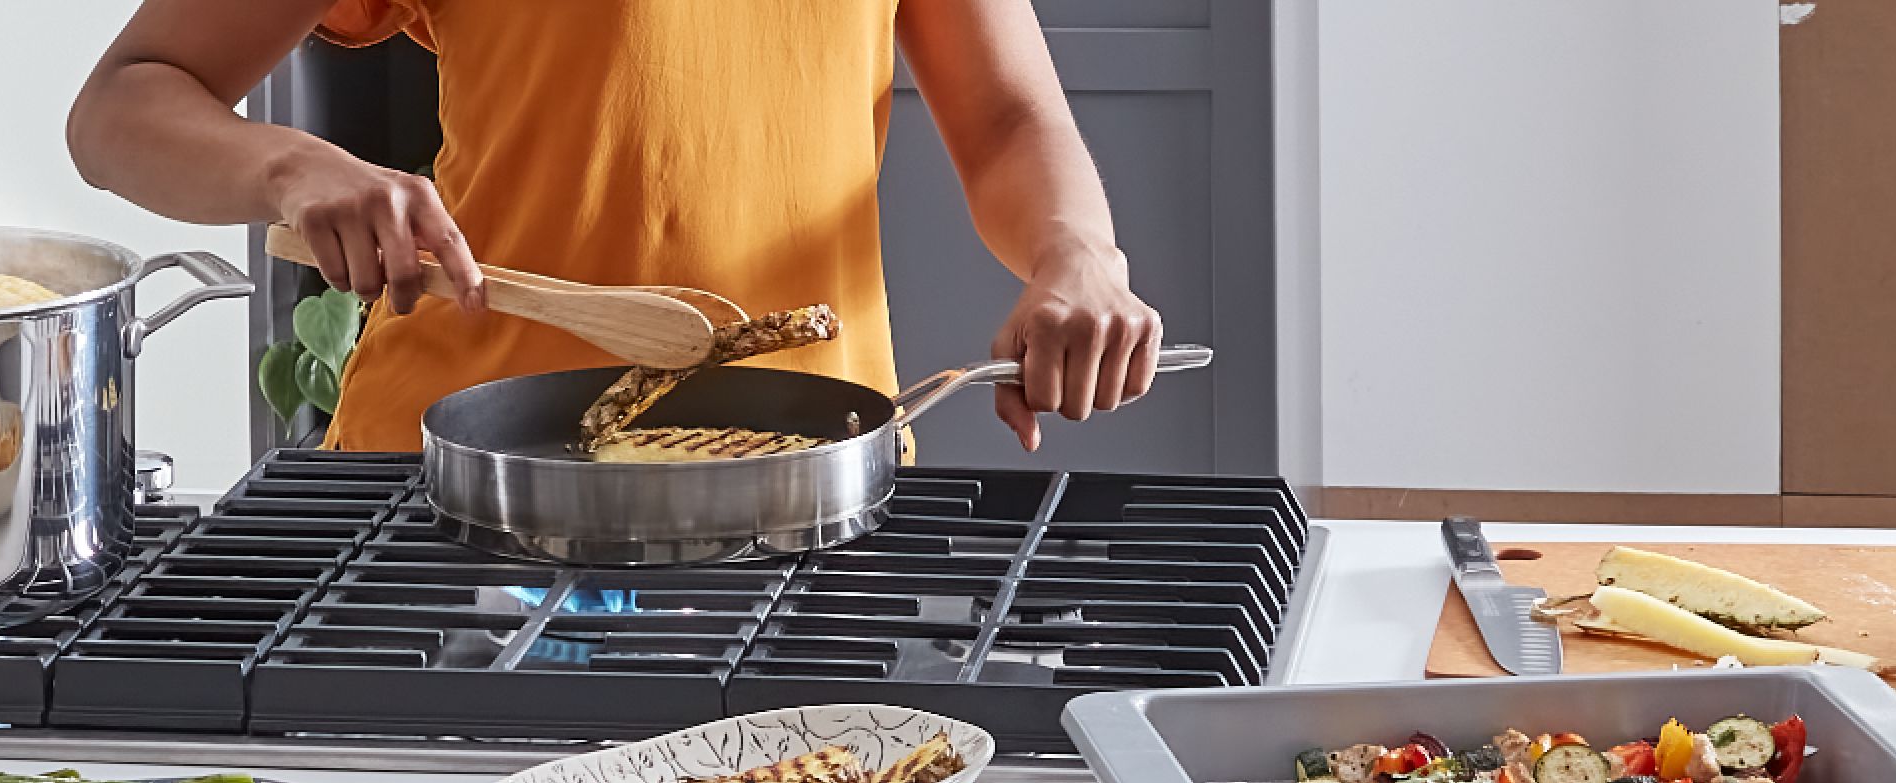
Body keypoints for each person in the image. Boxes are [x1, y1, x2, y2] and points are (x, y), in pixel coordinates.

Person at [69, 0, 1164, 453]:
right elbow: (122, 104)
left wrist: (1078, 253)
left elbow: (1012, 117)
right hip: (464, 478)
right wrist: (293, 166)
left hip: (801, 472)